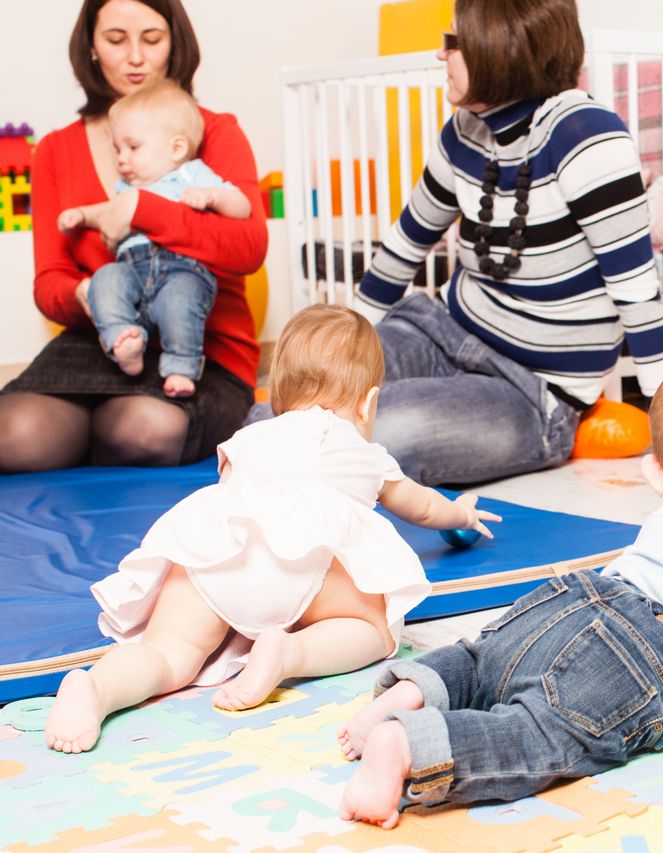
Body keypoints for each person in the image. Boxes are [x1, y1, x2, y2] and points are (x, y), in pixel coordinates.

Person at [334, 360, 663, 828]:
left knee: (484, 662)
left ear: (657, 475)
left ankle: (406, 694)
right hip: (645, 656)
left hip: (578, 593)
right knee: (535, 735)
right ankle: (406, 747)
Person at [43, 306, 500, 754]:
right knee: (375, 628)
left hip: (215, 553)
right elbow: (421, 507)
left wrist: (244, 601)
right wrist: (461, 514)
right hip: (303, 575)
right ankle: (289, 654)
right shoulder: (367, 454)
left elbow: (234, 503)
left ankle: (96, 689)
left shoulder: (249, 437)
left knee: (168, 653)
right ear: (368, 403)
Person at [350, 0, 663, 485]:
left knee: (378, 430)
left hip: (532, 391)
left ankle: (277, 459)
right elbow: (406, 244)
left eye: (454, 41)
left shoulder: (586, 136)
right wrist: (347, 344)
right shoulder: (462, 133)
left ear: (500, 48)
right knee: (315, 389)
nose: (441, 55)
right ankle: (271, 455)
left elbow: (635, 288)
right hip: (441, 331)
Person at [0, 0, 266, 471]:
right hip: (102, 340)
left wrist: (142, 208)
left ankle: (87, 432)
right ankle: (83, 428)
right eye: (116, 40)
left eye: (152, 39)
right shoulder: (57, 150)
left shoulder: (215, 132)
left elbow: (248, 249)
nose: (136, 57)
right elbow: (50, 283)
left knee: (140, 427)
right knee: (13, 434)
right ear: (92, 48)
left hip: (203, 348)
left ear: (175, 43)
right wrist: (86, 295)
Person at [58, 79, 251, 398]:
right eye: (117, 149)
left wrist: (213, 196)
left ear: (176, 148)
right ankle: (123, 340)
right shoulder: (126, 188)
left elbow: (242, 207)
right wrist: (81, 215)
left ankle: (181, 366)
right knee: (104, 279)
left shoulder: (191, 174)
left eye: (132, 148)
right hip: (132, 270)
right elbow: (107, 212)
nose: (121, 158)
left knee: (180, 302)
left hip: (182, 270)